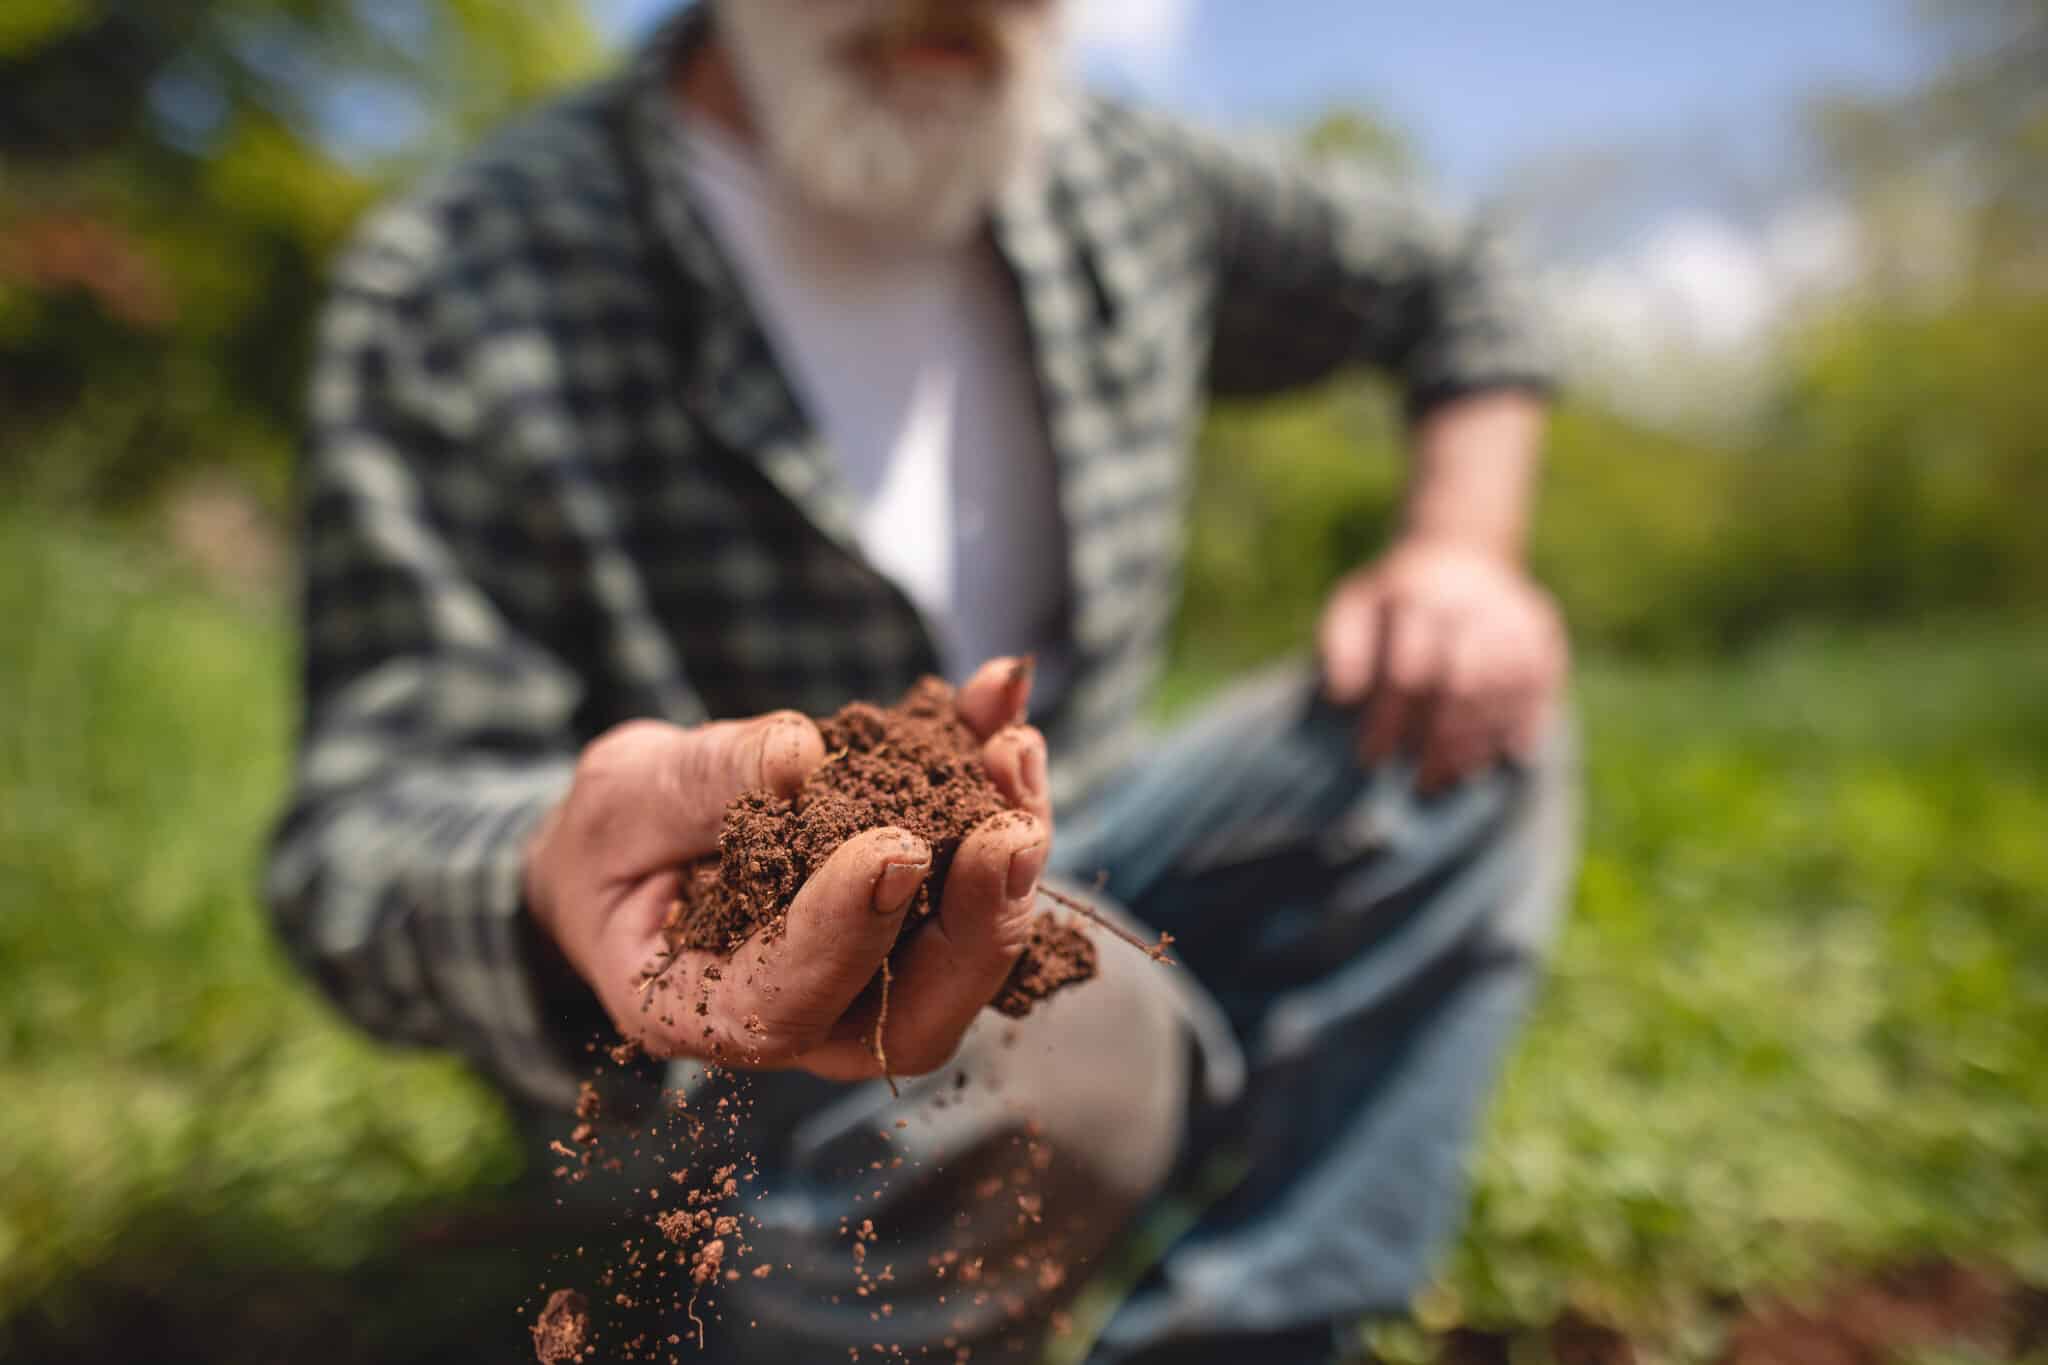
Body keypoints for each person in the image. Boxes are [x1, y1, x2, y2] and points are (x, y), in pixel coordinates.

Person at [265, 1, 1576, 1360]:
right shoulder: (468, 277)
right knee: (1072, 1041)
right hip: (697, 1047)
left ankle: (1255, 1330)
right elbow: (359, 839)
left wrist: (1462, 550)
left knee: (1463, 720)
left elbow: (1461, 272)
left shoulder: (1121, 183)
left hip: (1092, 863)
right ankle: (735, 1304)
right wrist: (555, 864)